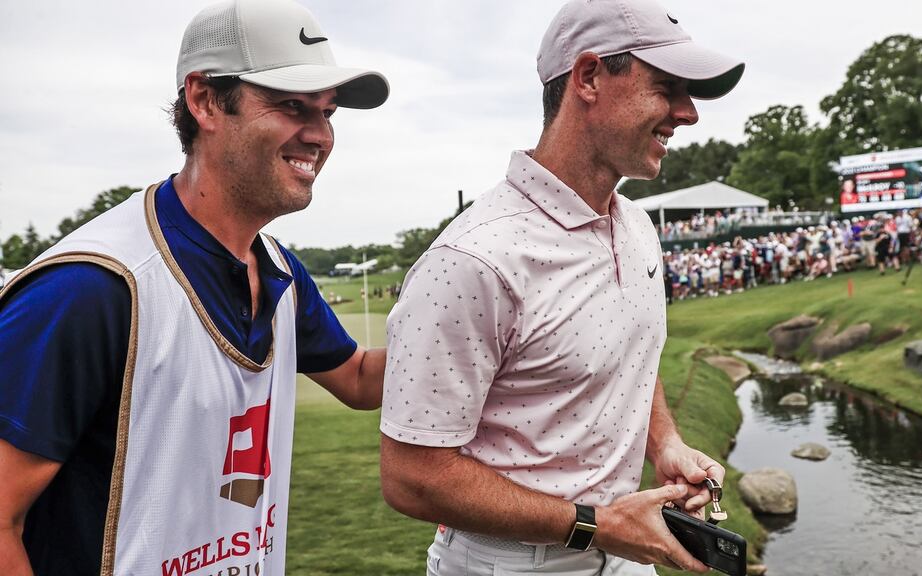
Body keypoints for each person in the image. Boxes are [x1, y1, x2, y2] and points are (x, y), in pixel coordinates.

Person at [0, 1, 389, 574]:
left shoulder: (278, 269)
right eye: (290, 106)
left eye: (327, 112)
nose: (320, 136)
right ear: (204, 100)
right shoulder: (92, 286)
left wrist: (487, 314)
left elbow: (358, 378)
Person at [378, 0, 744, 573]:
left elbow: (627, 362)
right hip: (511, 563)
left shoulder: (638, 228)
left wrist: (665, 444)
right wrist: (595, 526)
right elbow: (412, 476)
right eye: (668, 86)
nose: (688, 113)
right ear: (590, 77)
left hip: (625, 551)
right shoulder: (473, 258)